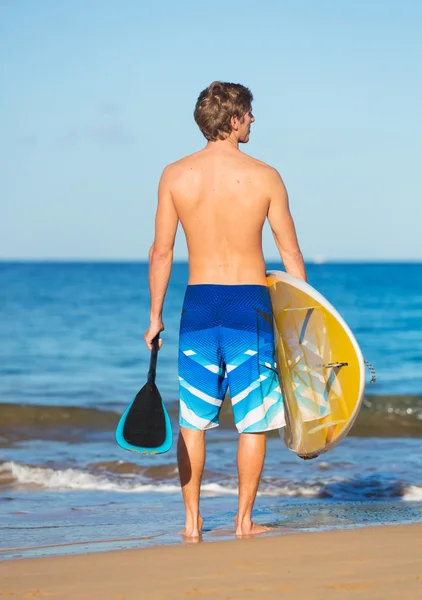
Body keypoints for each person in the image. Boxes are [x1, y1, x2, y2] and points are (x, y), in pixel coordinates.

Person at [144, 81, 307, 539]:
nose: (253, 120)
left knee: (193, 421)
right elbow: (290, 255)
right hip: (247, 305)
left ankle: (192, 523)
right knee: (252, 421)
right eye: (249, 113)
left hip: (197, 305)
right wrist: (302, 321)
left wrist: (155, 317)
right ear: (234, 119)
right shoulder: (265, 175)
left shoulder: (174, 175)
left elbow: (161, 253)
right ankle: (242, 521)